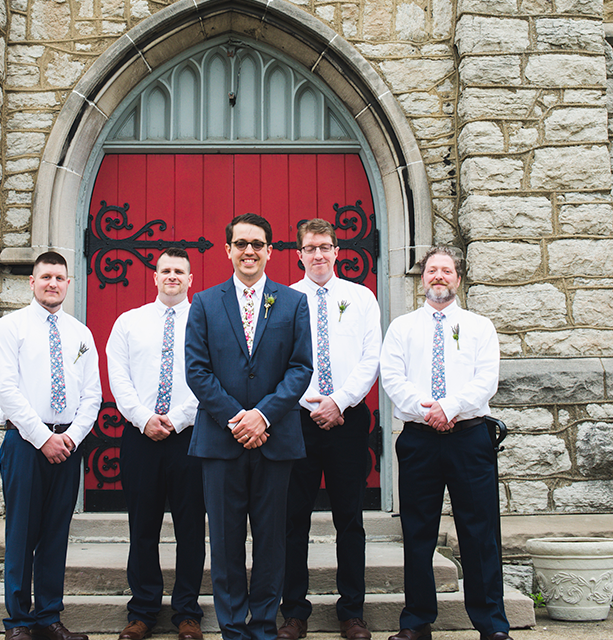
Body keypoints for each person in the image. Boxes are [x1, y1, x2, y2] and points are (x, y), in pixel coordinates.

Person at [185, 213, 313, 640]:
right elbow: (197, 372)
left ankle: (263, 626)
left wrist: (264, 415)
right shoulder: (204, 303)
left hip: (275, 440)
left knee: (272, 541)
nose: (249, 251)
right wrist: (237, 418)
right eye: (241, 243)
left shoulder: (293, 303)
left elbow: (300, 368)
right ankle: (233, 628)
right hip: (221, 442)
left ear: (271, 251)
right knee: (224, 543)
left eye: (257, 244)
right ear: (227, 250)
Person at [379, 246, 512, 640]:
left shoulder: (479, 326)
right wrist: (428, 411)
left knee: (478, 531)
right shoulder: (402, 328)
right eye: (432, 270)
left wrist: (449, 407)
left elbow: (486, 380)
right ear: (423, 279)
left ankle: (491, 624)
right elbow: (392, 377)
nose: (439, 276)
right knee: (418, 532)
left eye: (446, 270)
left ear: (457, 278)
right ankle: (417, 621)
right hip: (419, 440)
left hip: (469, 438)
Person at [0, 251, 102, 640]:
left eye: (59, 278)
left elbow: (92, 394)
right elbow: (5, 388)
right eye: (45, 277)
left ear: (69, 284)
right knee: (22, 532)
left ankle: (49, 616)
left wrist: (70, 437)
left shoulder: (80, 334)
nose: (53, 283)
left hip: (68, 444)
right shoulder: (11, 326)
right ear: (32, 282)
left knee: (56, 532)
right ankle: (18, 621)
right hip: (25, 442)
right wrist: (42, 438)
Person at [279, 218, 381, 640]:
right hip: (297, 421)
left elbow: (370, 357)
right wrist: (308, 403)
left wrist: (338, 401)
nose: (317, 255)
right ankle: (294, 612)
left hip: (347, 419)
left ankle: (351, 612)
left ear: (337, 251)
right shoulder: (284, 300)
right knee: (292, 519)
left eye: (325, 247)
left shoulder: (361, 297)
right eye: (310, 248)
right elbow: (278, 361)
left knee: (349, 519)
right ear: (299, 254)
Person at [106, 248, 206, 640]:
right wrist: (144, 418)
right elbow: (119, 376)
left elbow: (209, 377)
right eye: (165, 270)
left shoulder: (205, 321)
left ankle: (187, 612)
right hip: (140, 436)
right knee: (142, 527)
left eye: (179, 271)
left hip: (191, 437)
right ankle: (143, 611)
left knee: (190, 529)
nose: (172, 276)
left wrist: (179, 418)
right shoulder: (128, 323)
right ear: (154, 276)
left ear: (190, 278)